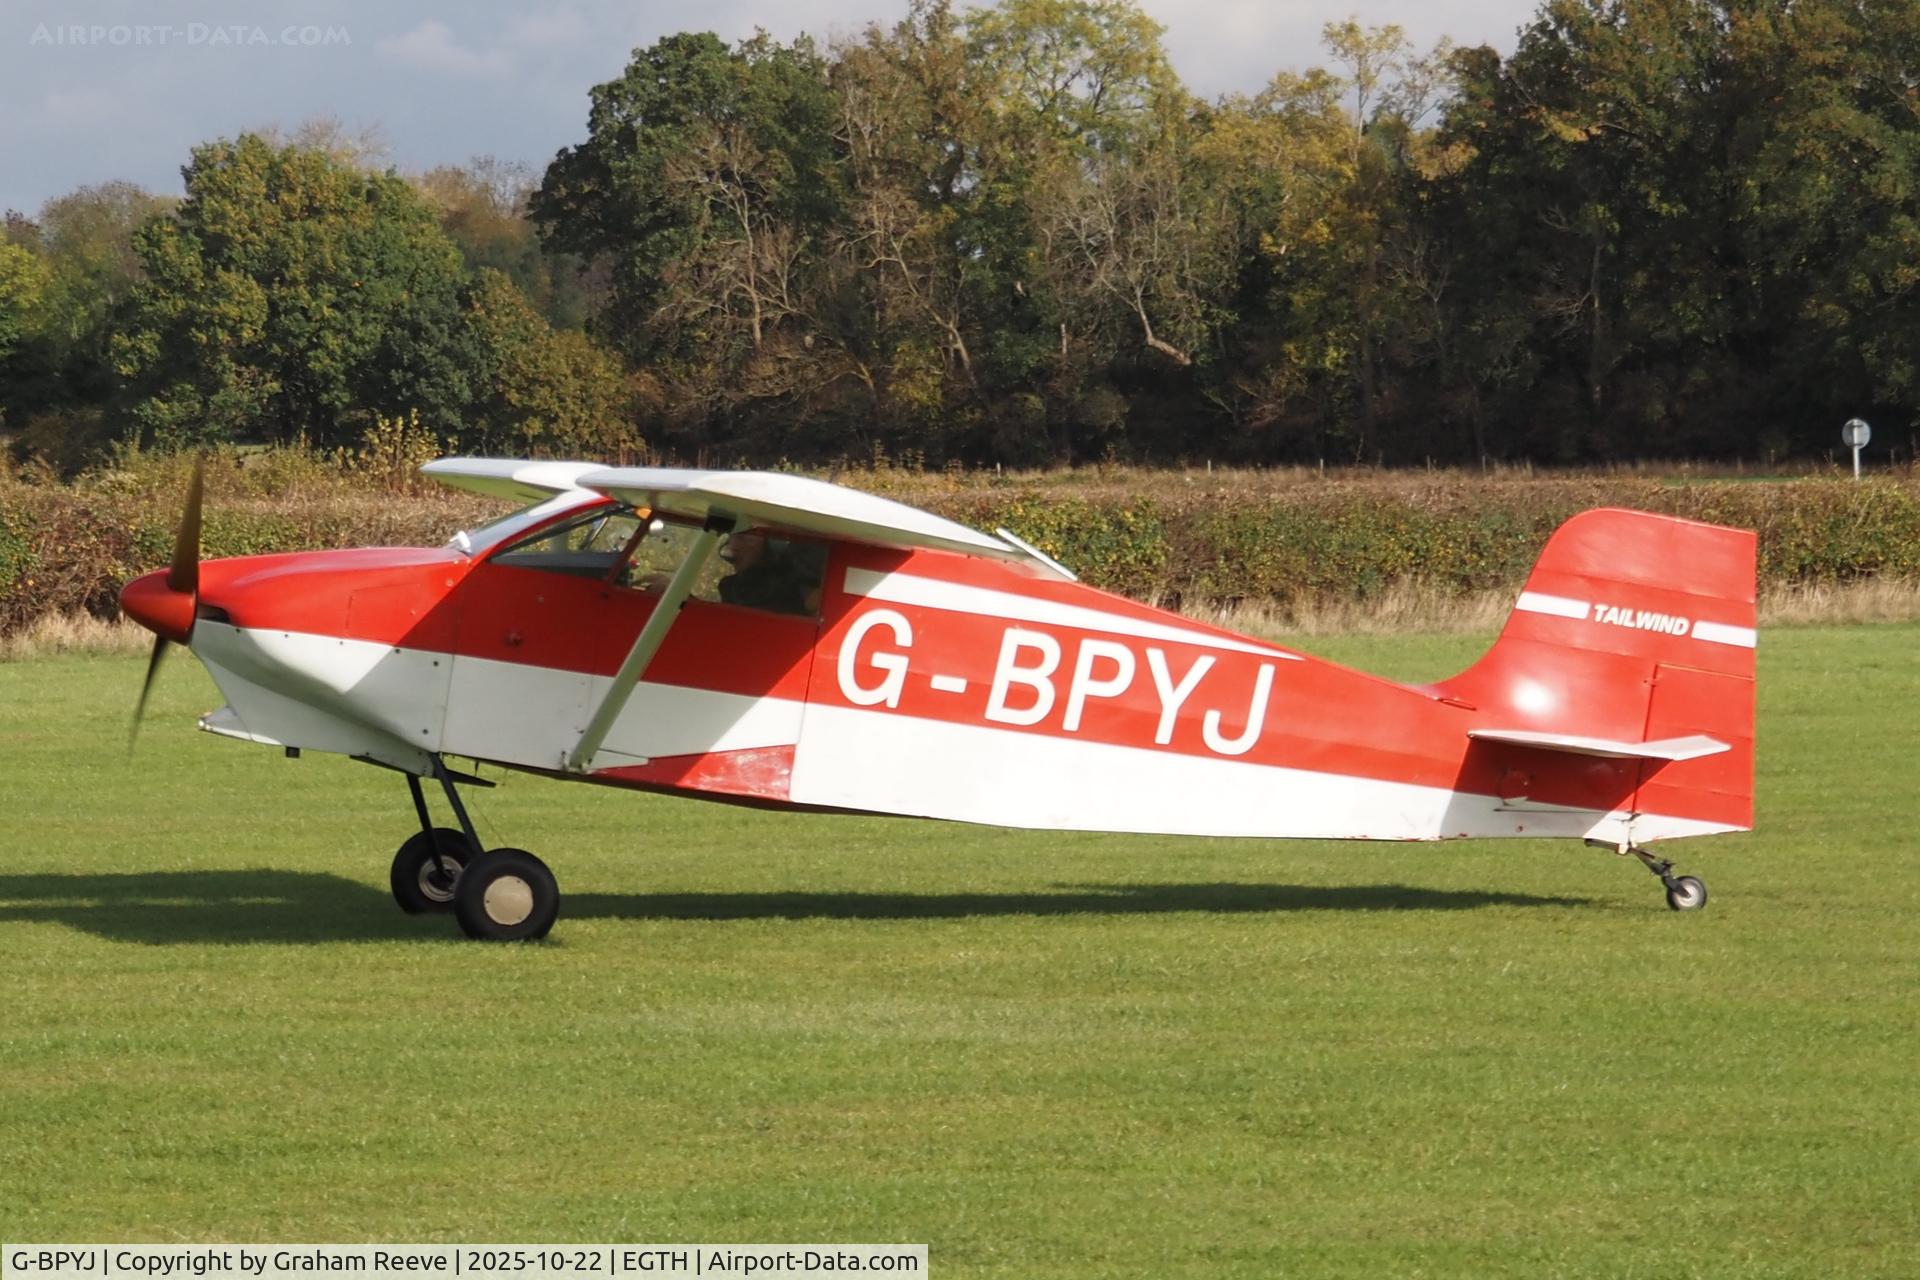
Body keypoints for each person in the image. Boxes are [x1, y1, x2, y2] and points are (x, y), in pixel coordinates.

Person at [717, 530, 818, 615]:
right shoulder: (729, 588)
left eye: (745, 538)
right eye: (730, 537)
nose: (733, 546)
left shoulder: (797, 581)